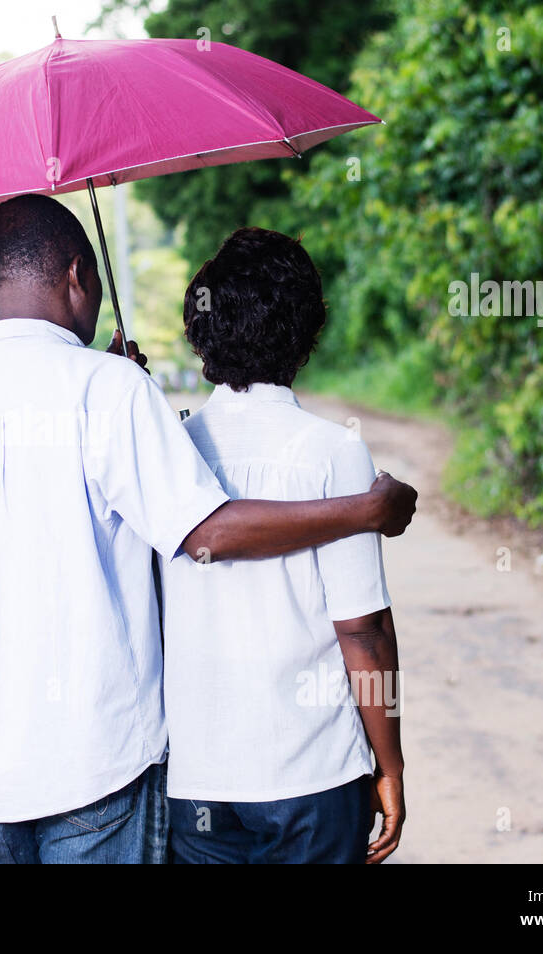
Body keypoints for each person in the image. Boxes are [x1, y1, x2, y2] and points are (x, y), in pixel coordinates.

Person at [0, 196, 416, 864]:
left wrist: (127, 392)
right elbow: (221, 542)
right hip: (131, 772)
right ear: (78, 277)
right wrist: (363, 509)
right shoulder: (117, 396)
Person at [161, 227, 405, 864]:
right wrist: (390, 762)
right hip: (312, 778)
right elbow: (364, 633)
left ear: (201, 329)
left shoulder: (167, 453)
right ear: (306, 331)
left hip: (196, 784)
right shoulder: (333, 452)